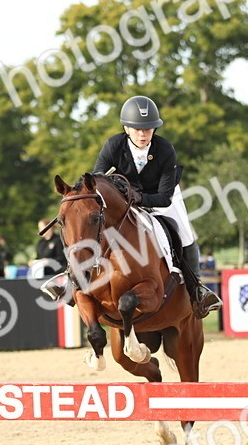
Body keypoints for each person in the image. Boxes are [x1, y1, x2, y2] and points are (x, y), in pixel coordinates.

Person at [46, 96, 222, 318]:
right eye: (137, 129)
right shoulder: (113, 145)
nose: (143, 134)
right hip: (125, 199)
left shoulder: (165, 149)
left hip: (160, 197)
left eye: (148, 128)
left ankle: (197, 290)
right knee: (88, 225)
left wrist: (139, 198)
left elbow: (164, 198)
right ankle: (71, 282)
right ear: (126, 128)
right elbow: (97, 181)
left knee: (185, 233)